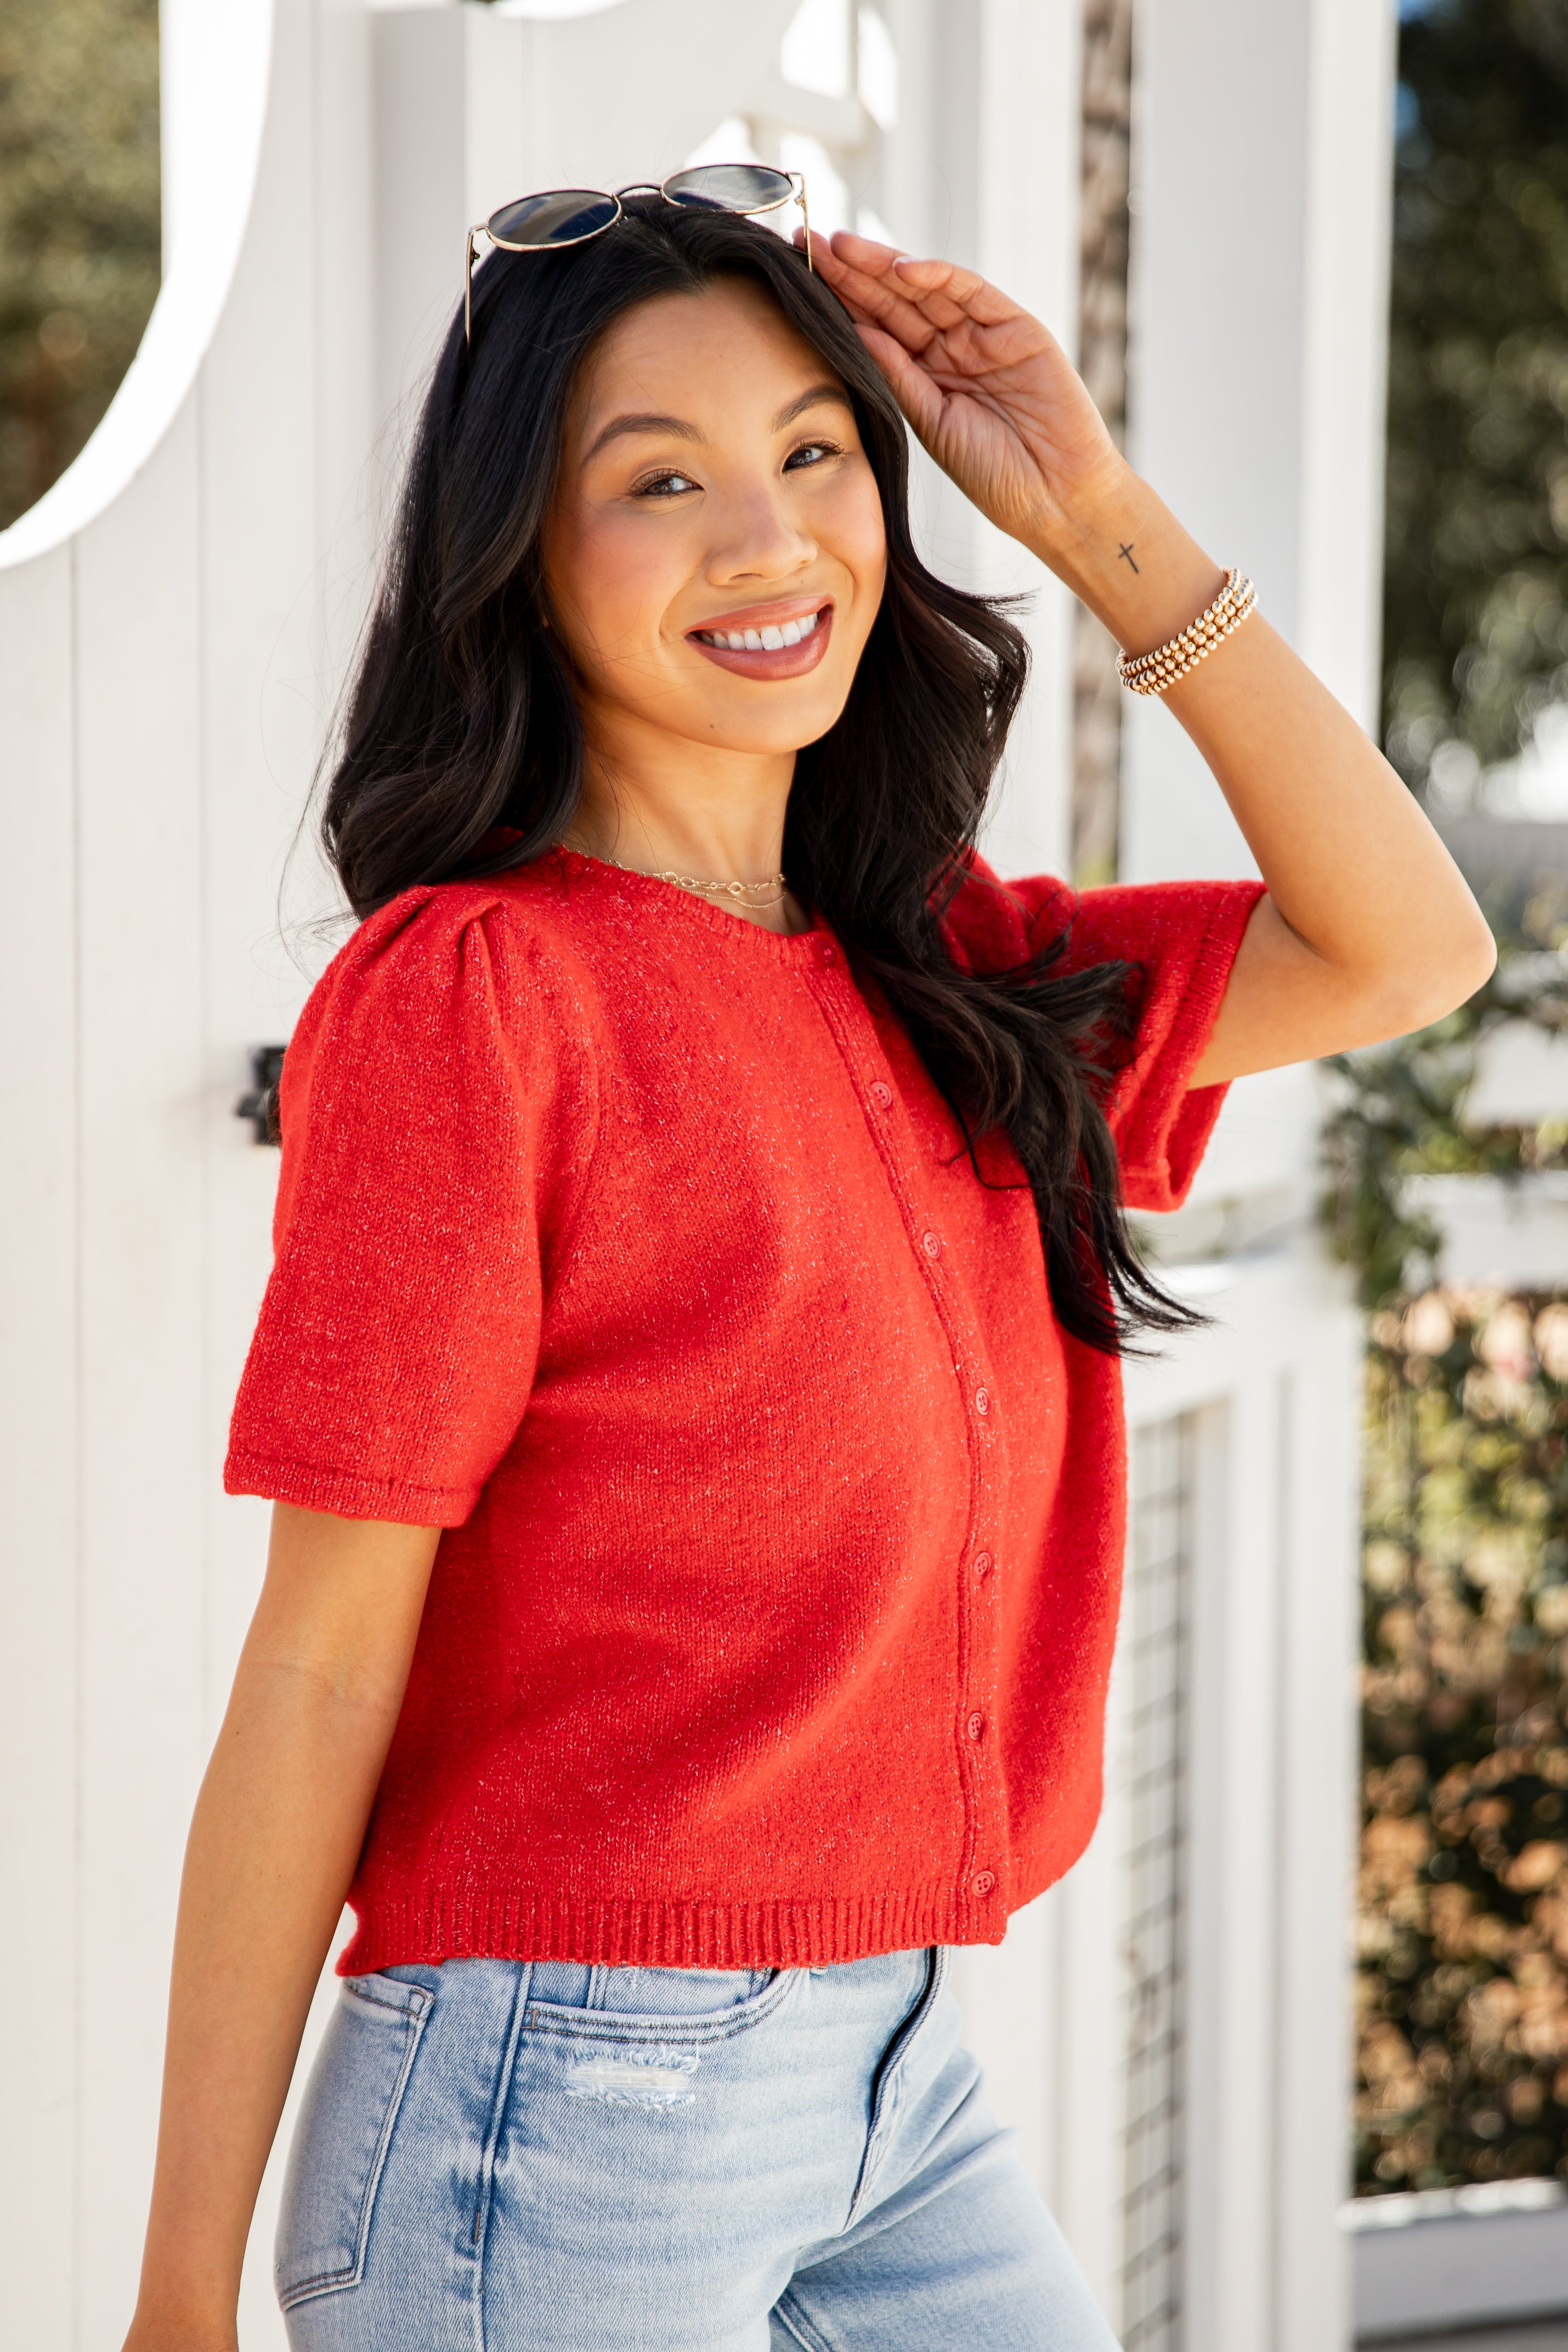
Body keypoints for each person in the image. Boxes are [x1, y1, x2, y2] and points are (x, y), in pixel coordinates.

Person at [121, 186, 1492, 2352]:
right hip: (556, 2104)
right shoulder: (482, 996)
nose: (767, 539)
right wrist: (176, 2287)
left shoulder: (953, 975)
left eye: (814, 453)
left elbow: (1409, 943)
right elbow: (317, 1662)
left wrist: (1092, 509)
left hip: (896, 2080)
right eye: (657, 481)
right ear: (524, 556)